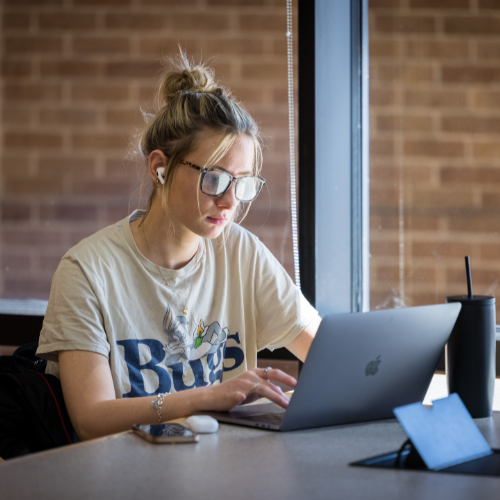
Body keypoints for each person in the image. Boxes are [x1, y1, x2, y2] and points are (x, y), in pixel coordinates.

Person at [36, 54, 321, 441]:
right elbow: (91, 418)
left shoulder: (240, 252)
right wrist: (204, 398)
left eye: (243, 183)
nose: (230, 202)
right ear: (160, 168)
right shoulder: (87, 270)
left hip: (228, 474)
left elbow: (325, 353)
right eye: (215, 179)